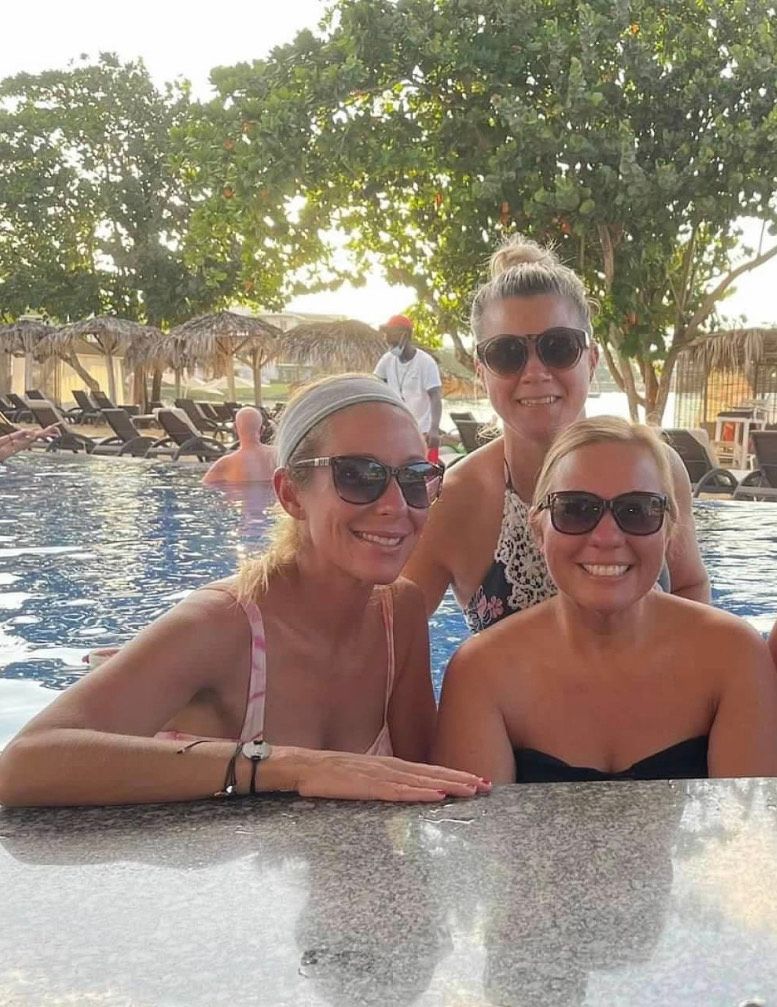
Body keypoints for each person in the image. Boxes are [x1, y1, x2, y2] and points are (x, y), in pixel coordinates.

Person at [0, 374, 488, 807]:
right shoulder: (223, 622)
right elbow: (24, 763)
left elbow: (427, 782)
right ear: (290, 494)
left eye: (415, 477)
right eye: (359, 476)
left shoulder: (398, 614)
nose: (395, 504)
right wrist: (292, 767)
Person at [433, 417, 777, 783]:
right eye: (576, 508)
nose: (607, 537)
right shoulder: (482, 673)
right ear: (538, 530)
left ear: (669, 531)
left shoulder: (732, 655)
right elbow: (478, 833)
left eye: (638, 511)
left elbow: (748, 830)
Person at [403, 236, 710, 631]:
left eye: (558, 347)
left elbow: (689, 583)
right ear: (481, 371)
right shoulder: (457, 500)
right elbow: (391, 636)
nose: (534, 372)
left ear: (591, 358)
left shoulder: (656, 468)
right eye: (506, 353)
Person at [374, 314, 443, 457]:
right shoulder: (387, 360)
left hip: (423, 433)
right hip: (397, 431)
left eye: (391, 335)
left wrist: (434, 429)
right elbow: (375, 385)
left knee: (428, 473)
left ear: (404, 335)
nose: (387, 339)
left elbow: (435, 397)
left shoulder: (426, 362)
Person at [201, 405, 277, 485]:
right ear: (262, 429)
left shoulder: (225, 464)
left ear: (234, 428)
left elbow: (205, 485)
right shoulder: (278, 456)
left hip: (239, 496)